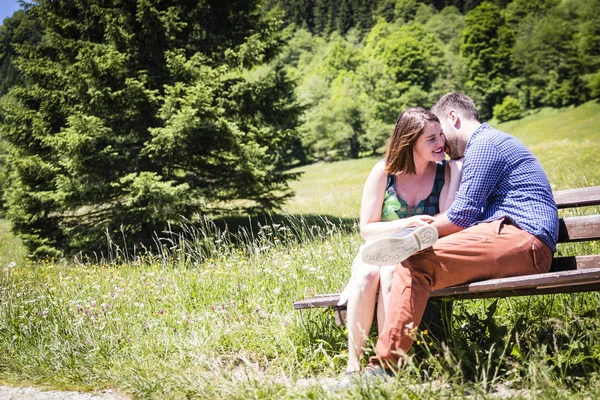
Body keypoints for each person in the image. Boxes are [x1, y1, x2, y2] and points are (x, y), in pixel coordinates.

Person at [361, 92, 559, 375]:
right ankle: (400, 363)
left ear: (453, 117)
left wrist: (415, 233)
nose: (441, 142)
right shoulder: (488, 144)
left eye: (441, 131)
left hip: (523, 238)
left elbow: (461, 217)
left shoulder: (485, 145)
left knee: (416, 261)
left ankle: (385, 369)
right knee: (416, 261)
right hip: (508, 237)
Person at [339, 107, 463, 374]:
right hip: (379, 248)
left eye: (441, 134)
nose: (441, 142)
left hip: (415, 254)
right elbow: (367, 229)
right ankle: (353, 363)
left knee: (389, 274)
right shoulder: (384, 172)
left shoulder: (443, 172)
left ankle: (387, 363)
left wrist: (455, 174)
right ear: (409, 142)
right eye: (431, 139)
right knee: (367, 275)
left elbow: (445, 218)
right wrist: (406, 222)